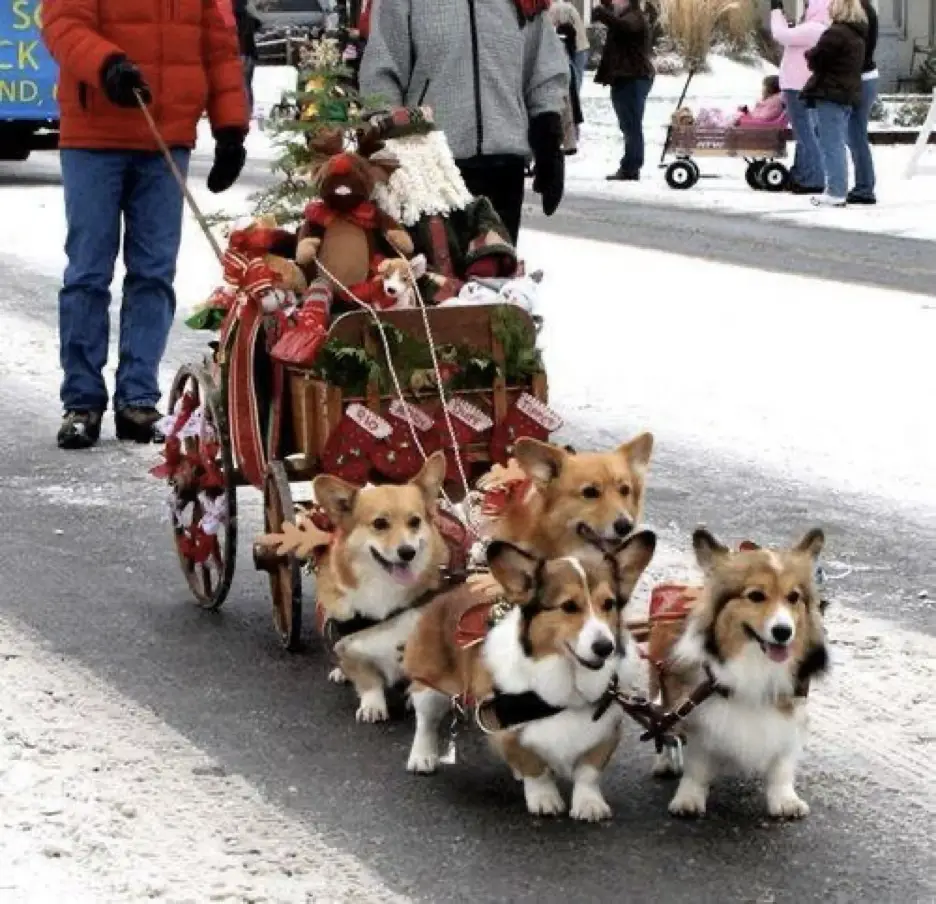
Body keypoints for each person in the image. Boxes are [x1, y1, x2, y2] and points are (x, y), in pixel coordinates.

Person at [42, 0, 249, 450]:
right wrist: (107, 64)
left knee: (154, 273)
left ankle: (138, 399)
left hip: (166, 138)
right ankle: (82, 402)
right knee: (88, 273)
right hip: (95, 135)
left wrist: (230, 127)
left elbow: (217, 48)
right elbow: (62, 24)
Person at [360, 0, 568, 245]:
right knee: (437, 276)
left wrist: (548, 138)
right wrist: (388, 146)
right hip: (431, 168)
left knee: (495, 275)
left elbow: (544, 70)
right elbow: (382, 73)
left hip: (503, 167)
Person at [801, 0, 868, 207]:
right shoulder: (857, 35)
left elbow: (818, 60)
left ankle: (836, 190)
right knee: (836, 142)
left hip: (830, 94)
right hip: (846, 94)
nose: (828, 8)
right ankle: (835, 188)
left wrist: (809, 53)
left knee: (831, 144)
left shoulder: (835, 33)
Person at [770, 0, 830, 194]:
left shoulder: (814, 28)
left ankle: (813, 177)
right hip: (803, 86)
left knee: (806, 134)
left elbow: (780, 35)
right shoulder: (819, 28)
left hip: (797, 87)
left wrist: (776, 11)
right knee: (807, 133)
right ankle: (802, 174)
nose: (805, 9)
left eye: (808, 5)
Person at [592, 0, 655, 182]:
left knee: (632, 124)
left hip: (634, 78)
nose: (614, 2)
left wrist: (602, 14)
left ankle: (631, 166)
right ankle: (630, 164)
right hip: (624, 78)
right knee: (627, 124)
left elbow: (623, 27)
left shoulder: (635, 17)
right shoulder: (624, 15)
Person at [846, 0, 878, 204]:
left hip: (859, 77)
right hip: (866, 76)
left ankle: (865, 187)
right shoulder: (866, 8)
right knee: (856, 135)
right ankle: (864, 185)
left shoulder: (858, 10)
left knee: (855, 135)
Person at [548, 0, 590, 95]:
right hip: (582, 46)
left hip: (576, 46)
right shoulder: (565, 6)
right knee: (576, 78)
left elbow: (556, 25)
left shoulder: (556, 7)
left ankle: (572, 103)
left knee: (574, 79)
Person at [234, 0, 264, 116]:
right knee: (246, 83)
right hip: (249, 53)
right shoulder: (250, 19)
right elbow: (258, 25)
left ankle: (244, 111)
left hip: (241, 53)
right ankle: (247, 110)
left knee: (242, 83)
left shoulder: (233, 18)